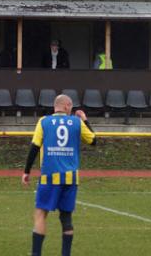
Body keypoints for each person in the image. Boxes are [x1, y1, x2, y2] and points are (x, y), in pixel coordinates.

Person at [22, 95, 96, 256]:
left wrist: (27, 171)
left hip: (49, 177)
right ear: (67, 105)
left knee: (40, 214)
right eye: (71, 106)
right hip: (71, 178)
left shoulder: (44, 121)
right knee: (66, 218)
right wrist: (85, 119)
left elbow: (34, 147)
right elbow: (93, 140)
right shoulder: (76, 122)